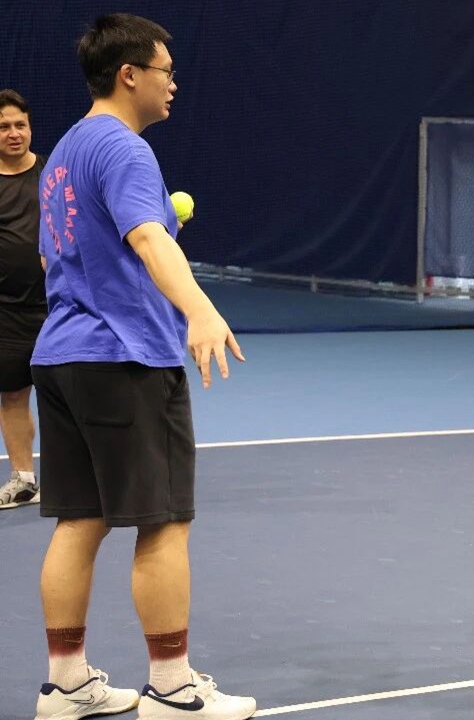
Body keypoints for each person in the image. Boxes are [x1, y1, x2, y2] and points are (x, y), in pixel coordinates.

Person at [30, 14, 254, 720]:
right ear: (129, 75)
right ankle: (173, 688)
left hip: (61, 357)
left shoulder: (62, 154)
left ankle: (66, 685)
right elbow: (151, 240)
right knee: (164, 524)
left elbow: (62, 253)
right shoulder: (126, 150)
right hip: (124, 359)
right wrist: (200, 310)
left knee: (80, 520)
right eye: (165, 71)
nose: (173, 83)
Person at [0, 89, 46, 509]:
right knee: (13, 395)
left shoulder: (52, 175)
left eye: (20, 125)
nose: (14, 133)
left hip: (61, 308)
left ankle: (83, 475)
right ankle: (24, 480)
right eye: (3, 127)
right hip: (7, 313)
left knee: (72, 393)